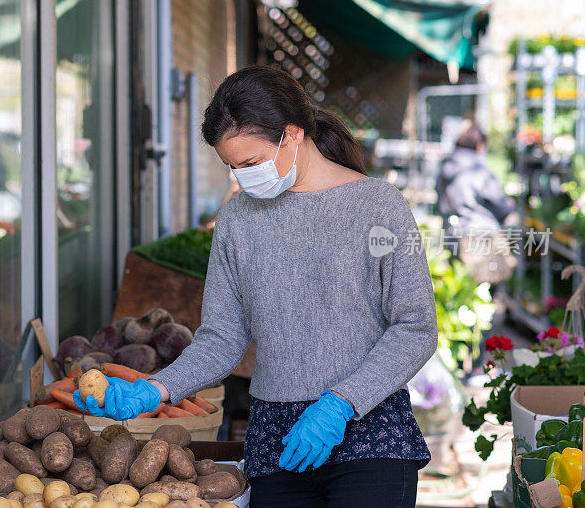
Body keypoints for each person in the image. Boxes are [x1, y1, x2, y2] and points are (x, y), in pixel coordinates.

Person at [75, 66, 437, 507]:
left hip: (370, 431)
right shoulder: (237, 220)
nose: (241, 178)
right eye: (231, 167)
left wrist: (340, 403)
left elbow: (415, 328)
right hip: (276, 439)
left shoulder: (379, 206)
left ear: (292, 135)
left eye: (249, 164)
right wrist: (155, 389)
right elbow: (222, 340)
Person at [436, 122, 518, 284]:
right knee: (488, 288)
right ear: (479, 144)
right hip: (482, 236)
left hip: (454, 233)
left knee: (462, 289)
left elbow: (440, 200)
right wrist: (509, 206)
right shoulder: (477, 168)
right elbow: (497, 201)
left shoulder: (446, 167)